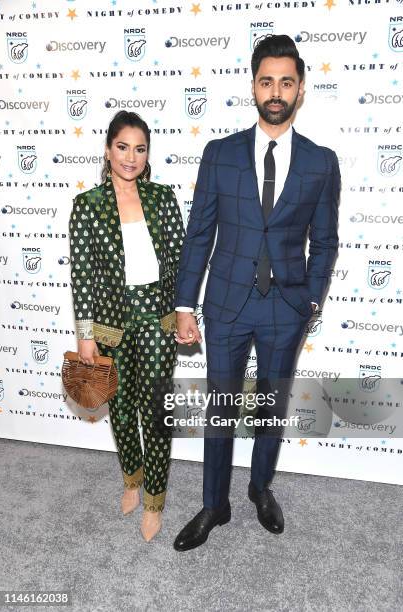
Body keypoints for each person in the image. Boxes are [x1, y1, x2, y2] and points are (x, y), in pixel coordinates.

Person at [173, 35, 341, 551]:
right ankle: (213, 504)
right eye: (267, 81)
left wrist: (309, 301)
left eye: (286, 82)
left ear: (301, 89)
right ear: (253, 86)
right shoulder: (219, 154)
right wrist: (184, 304)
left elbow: (326, 240)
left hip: (285, 307)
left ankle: (260, 487)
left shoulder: (321, 162)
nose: (276, 91)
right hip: (225, 305)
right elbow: (200, 232)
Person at [68, 111, 185, 542]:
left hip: (157, 317)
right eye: (122, 147)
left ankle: (155, 499)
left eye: (139, 148)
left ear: (147, 154)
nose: (131, 157)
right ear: (107, 149)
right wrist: (85, 335)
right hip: (111, 325)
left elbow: (181, 262)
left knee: (154, 412)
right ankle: (132, 480)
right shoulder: (88, 206)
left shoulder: (162, 198)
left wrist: (186, 312)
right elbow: (82, 276)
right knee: (119, 409)